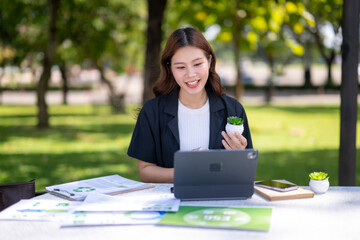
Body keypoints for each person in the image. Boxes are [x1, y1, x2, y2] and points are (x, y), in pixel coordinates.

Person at [128, 27, 253, 183]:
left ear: (209, 61)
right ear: (169, 68)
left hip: (219, 199)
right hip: (170, 201)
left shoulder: (233, 109)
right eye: (181, 67)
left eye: (197, 64)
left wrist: (239, 158)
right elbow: (145, 171)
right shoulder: (152, 111)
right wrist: (187, 170)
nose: (191, 74)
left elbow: (245, 173)